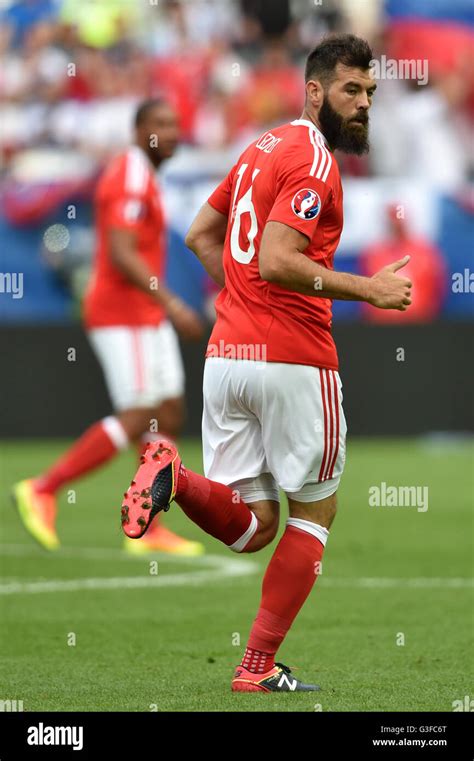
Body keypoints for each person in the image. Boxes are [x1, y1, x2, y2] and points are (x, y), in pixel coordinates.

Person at [120, 35, 412, 692]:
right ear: (314, 92)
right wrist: (369, 288)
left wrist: (241, 297)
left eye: (369, 93)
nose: (363, 104)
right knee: (315, 511)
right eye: (350, 90)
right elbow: (279, 259)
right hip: (294, 358)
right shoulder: (314, 161)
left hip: (229, 355)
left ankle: (173, 474)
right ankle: (255, 667)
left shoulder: (259, 147)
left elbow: (200, 231)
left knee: (253, 525)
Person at [13, 99, 205, 557]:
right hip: (123, 313)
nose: (171, 133)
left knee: (170, 411)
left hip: (145, 314)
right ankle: (43, 487)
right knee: (140, 412)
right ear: (138, 131)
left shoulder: (146, 175)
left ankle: (148, 524)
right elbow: (121, 252)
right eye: (160, 125)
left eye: (176, 124)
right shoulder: (130, 175)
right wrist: (172, 302)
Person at [360, 203, 446, 322]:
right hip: (384, 324)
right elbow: (365, 291)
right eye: (393, 223)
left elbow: (437, 287)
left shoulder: (425, 251)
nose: (397, 227)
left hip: (419, 321)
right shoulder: (374, 253)